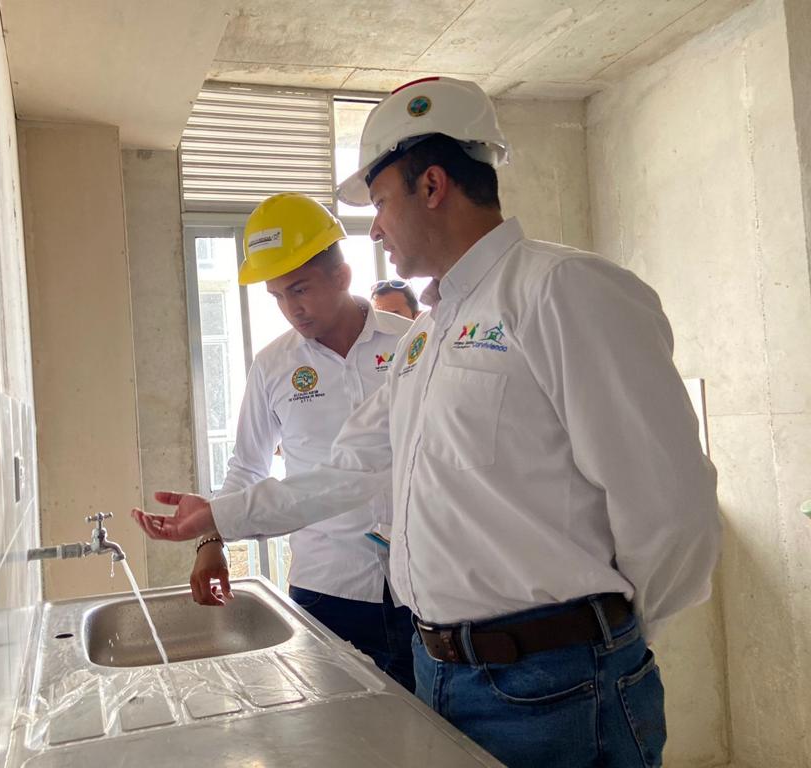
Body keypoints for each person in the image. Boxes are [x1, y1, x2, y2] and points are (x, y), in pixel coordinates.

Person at [134, 78, 720, 768]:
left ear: (433, 185)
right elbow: (351, 471)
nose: (376, 228)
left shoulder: (562, 290)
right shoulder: (427, 336)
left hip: (557, 685)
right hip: (444, 669)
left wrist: (606, 638)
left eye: (380, 202)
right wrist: (220, 517)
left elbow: (669, 504)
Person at [191, 192, 416, 692]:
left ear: (342, 276)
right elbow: (248, 466)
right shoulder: (274, 366)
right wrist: (211, 540)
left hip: (421, 585)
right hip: (326, 589)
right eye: (277, 296)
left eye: (300, 289)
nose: (291, 309)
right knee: (336, 727)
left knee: (432, 729)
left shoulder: (411, 343)